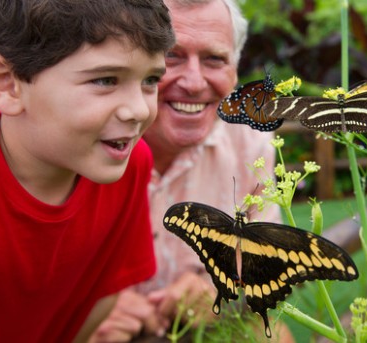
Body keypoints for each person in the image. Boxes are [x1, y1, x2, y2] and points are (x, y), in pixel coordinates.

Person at [0, 0, 175, 342]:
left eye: (150, 80)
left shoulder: (130, 164)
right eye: (106, 79)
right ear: (6, 83)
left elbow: (103, 294)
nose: (138, 109)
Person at [91, 0, 294, 341]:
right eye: (171, 55)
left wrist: (214, 285)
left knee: (271, 335)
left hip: (205, 327)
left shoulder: (249, 140)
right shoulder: (84, 136)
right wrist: (88, 307)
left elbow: (265, 255)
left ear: (235, 68)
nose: (195, 82)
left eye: (215, 59)